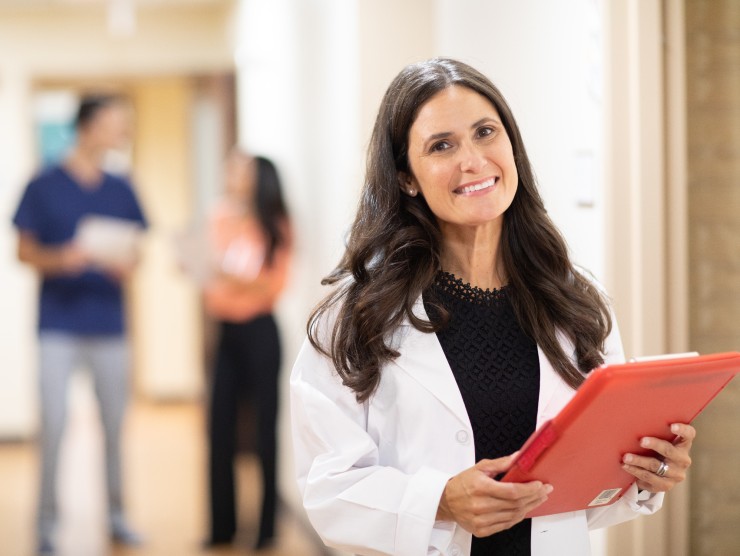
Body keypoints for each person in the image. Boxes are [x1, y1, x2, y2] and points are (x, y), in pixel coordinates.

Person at [289, 58, 696, 556]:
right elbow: (328, 490)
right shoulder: (355, 316)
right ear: (406, 179)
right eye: (442, 146)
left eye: (486, 132)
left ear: (512, 147)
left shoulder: (574, 302)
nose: (474, 161)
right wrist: (439, 500)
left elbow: (584, 495)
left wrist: (644, 475)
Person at [12, 93, 146, 555]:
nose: (121, 132)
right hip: (58, 326)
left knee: (114, 424)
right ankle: (47, 525)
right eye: (114, 123)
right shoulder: (43, 184)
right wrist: (60, 258)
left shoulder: (122, 187)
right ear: (87, 127)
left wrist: (125, 261)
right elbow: (23, 250)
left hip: (110, 324)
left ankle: (117, 515)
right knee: (53, 425)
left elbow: (137, 251)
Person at [201, 151, 292, 550]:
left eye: (238, 170)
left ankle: (266, 530)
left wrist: (231, 279)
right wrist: (223, 278)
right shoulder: (218, 217)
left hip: (261, 333)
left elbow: (273, 286)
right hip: (226, 333)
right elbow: (210, 280)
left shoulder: (275, 225)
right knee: (218, 430)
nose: (230, 175)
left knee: (263, 432)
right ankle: (222, 529)